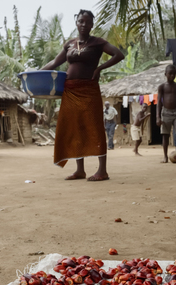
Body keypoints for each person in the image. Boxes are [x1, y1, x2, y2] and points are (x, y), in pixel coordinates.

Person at [41, 10, 124, 181]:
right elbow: (55, 62)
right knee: (75, 127)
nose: (84, 24)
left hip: (89, 89)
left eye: (87, 22)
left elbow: (118, 54)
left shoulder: (97, 42)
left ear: (92, 24)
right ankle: (80, 170)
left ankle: (102, 171)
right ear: (76, 23)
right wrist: (35, 73)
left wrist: (100, 68)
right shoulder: (70, 44)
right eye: (81, 21)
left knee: (95, 127)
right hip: (70, 90)